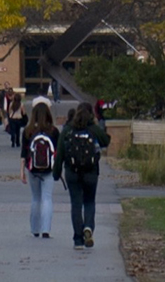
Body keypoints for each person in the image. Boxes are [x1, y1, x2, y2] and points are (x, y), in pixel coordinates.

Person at [58, 104, 111, 249]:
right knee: (89, 202)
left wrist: (56, 172)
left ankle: (78, 239)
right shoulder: (92, 129)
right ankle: (88, 227)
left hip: (72, 172)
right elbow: (106, 141)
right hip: (91, 171)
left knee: (76, 204)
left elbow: (60, 152)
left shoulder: (68, 129)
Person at [21, 101, 58, 238]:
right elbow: (58, 152)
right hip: (48, 169)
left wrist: (22, 171)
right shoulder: (53, 131)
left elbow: (23, 153)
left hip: (33, 169)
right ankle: (46, 229)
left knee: (36, 198)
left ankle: (35, 229)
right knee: (47, 198)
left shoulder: (28, 131)